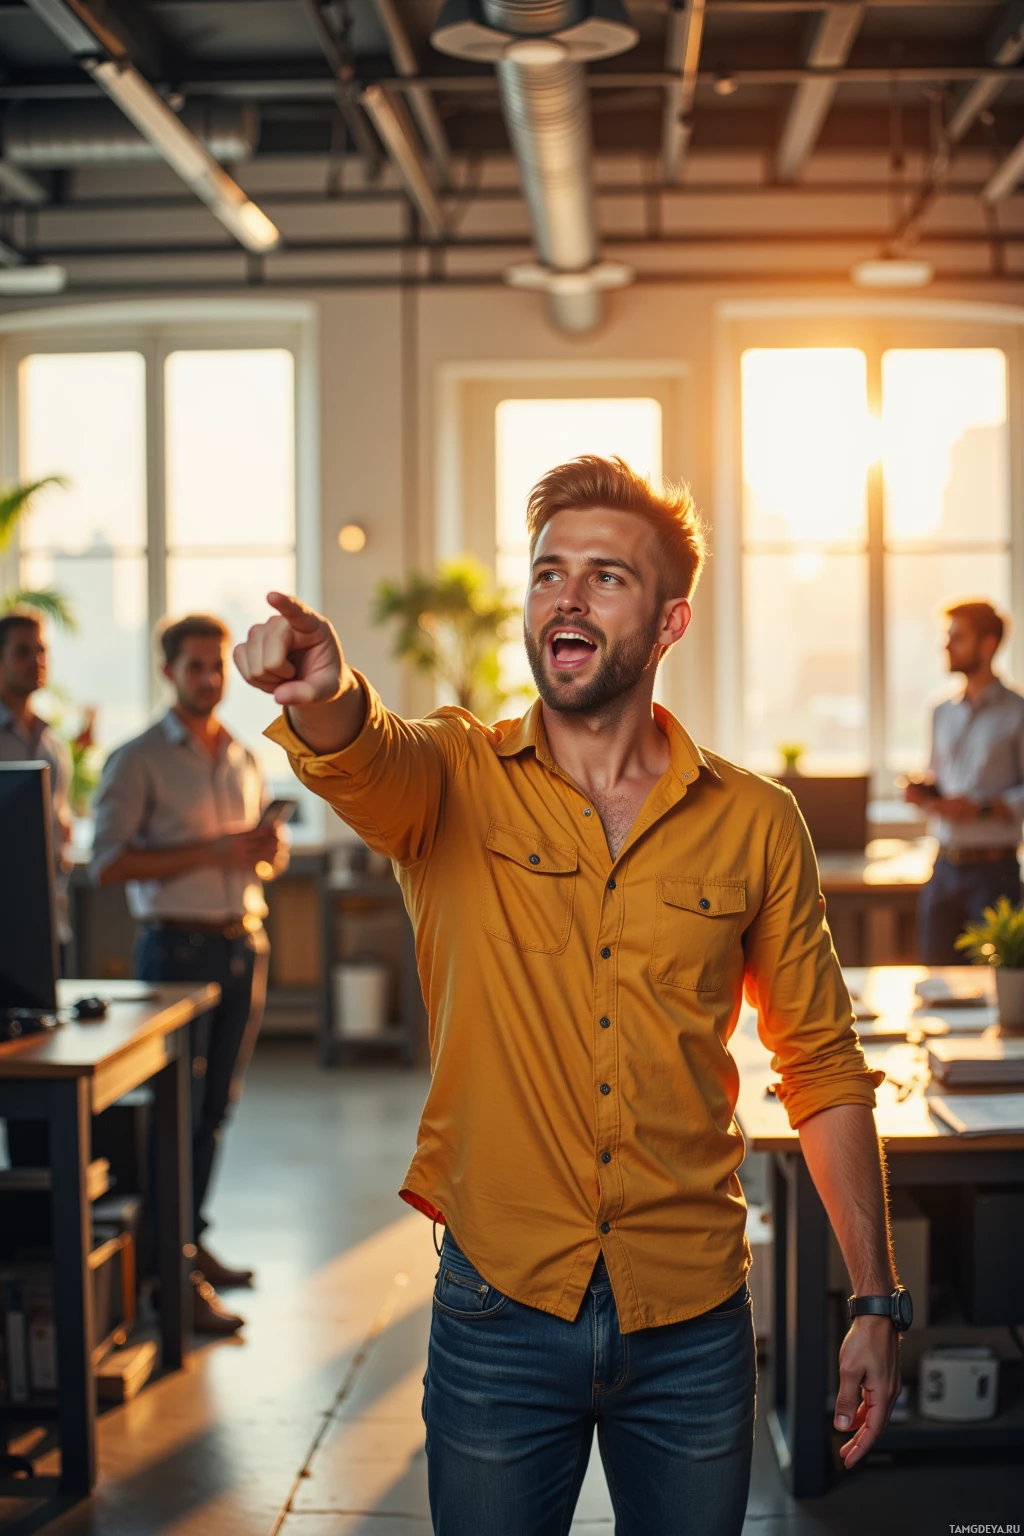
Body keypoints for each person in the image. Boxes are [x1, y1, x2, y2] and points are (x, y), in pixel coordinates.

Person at [235, 457, 903, 1536]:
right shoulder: (450, 777)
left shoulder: (756, 821)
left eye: (605, 577)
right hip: (498, 1312)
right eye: (548, 574)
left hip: (691, 1321)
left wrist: (874, 1298)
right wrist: (325, 693)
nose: (567, 598)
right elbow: (361, 750)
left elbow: (819, 1066)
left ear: (670, 619)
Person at [91, 614, 287, 1335]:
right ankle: (167, 1275)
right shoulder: (137, 759)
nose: (210, 678)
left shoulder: (240, 754)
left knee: (214, 1112)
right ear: (168, 671)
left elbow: (260, 858)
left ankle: (190, 1243)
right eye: (195, 666)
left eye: (217, 666)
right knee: (176, 1114)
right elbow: (108, 862)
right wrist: (214, 848)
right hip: (176, 953)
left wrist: (266, 851)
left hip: (244, 944)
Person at [906, 599, 1024, 965]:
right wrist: (925, 794)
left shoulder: (1018, 711)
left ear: (988, 645)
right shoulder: (940, 712)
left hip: (994, 873)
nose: (947, 645)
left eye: (958, 637)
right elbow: (938, 776)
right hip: (943, 868)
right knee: (934, 979)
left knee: (996, 988)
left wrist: (983, 807)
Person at [0, 611, 73, 957]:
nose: (37, 661)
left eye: (41, 651)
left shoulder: (51, 742)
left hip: (50, 917)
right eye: (23, 652)